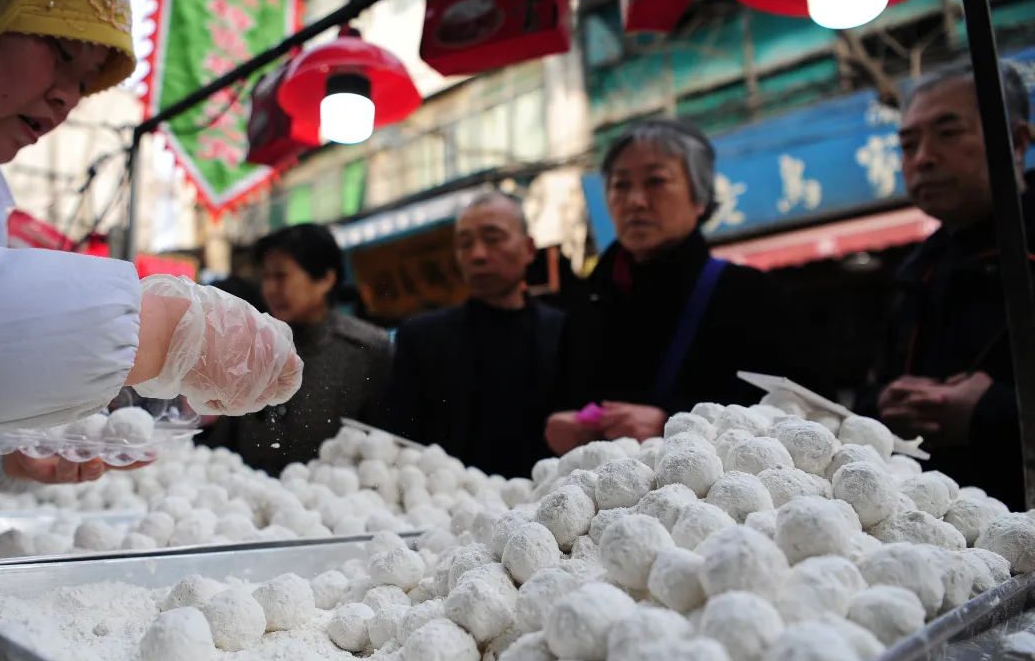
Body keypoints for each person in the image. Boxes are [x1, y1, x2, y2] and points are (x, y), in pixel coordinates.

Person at [0, 0, 301, 571]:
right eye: (60, 52)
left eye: (84, 83)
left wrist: (8, 454)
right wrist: (160, 329)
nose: (67, 100)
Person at [545, 119, 811, 455]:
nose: (635, 201)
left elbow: (802, 419)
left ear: (699, 198)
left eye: (656, 181)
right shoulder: (587, 302)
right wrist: (563, 425)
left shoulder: (752, 297)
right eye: (620, 185)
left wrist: (673, 421)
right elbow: (564, 400)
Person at [865, 59, 1032, 510]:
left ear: (1016, 142)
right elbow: (876, 388)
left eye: (948, 132)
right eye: (908, 143)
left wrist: (993, 410)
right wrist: (886, 403)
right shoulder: (916, 269)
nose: (924, 158)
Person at [386, 192, 564, 479]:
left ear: (529, 249)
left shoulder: (565, 333)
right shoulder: (421, 339)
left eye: (493, 239)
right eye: (465, 244)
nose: (478, 255)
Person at [203, 224, 391, 475]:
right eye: (265, 278)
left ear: (325, 279)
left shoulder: (366, 352)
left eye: (280, 276)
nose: (269, 289)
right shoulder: (251, 343)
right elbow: (223, 442)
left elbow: (381, 451)